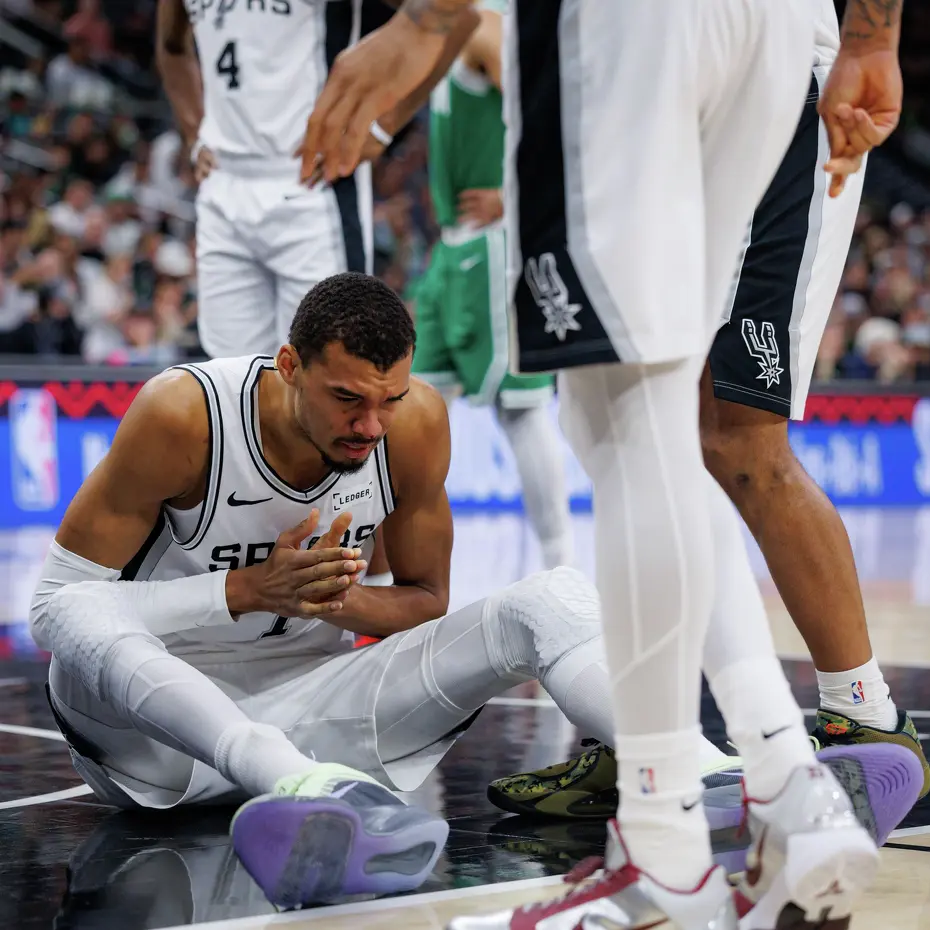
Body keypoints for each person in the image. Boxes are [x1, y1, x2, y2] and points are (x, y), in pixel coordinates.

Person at [296, 1, 909, 928]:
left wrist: (426, 16)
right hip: (787, 30)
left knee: (621, 413)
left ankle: (664, 850)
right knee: (670, 417)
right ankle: (788, 785)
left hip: (628, 23)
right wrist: (874, 35)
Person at [29, 272, 624, 909]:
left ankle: (673, 762)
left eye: (388, 399)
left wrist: (336, 597)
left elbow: (426, 598)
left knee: (549, 596)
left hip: (309, 718)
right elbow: (52, 607)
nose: (370, 425)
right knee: (79, 613)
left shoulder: (414, 424)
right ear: (289, 366)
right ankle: (297, 786)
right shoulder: (186, 414)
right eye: (347, 399)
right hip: (150, 743)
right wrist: (247, 590)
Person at [154, 0, 478, 358]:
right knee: (235, 379)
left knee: (329, 370)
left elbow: (459, 18)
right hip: (222, 189)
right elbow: (172, 46)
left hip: (311, 187)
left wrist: (385, 126)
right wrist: (193, 133)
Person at [411, 0, 573, 570]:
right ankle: (392, 567)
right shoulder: (449, 25)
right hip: (456, 248)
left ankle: (561, 566)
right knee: (410, 402)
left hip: (497, 242)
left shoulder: (485, 23)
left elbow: (550, 110)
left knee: (522, 407)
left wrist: (515, 197)